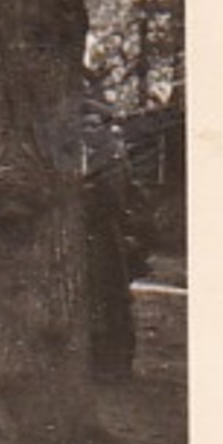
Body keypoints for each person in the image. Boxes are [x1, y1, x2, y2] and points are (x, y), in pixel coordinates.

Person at [83, 98, 137, 381]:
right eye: (83, 126)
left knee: (113, 295)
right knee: (97, 296)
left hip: (108, 233)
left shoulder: (113, 157)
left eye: (93, 125)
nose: (87, 131)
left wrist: (82, 199)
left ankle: (119, 362)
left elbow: (112, 200)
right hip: (94, 236)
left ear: (106, 127)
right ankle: (104, 359)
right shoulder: (91, 155)